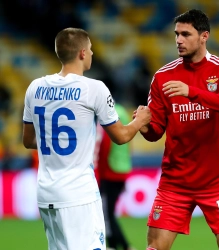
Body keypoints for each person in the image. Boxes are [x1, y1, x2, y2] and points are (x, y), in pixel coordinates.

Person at [22, 27, 151, 250]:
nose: (92, 54)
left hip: (46, 193)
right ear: (82, 53)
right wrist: (140, 120)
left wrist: (60, 143)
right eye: (90, 49)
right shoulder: (94, 89)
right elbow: (121, 136)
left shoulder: (35, 88)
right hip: (78, 195)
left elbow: (28, 140)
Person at [133, 9, 219, 250]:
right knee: (154, 247)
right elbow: (156, 132)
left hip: (216, 181)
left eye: (185, 34)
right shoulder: (163, 76)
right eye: (176, 34)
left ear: (204, 36)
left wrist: (191, 92)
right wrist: (143, 124)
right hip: (175, 182)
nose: (178, 40)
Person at [95, 103, 135, 250]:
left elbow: (105, 145)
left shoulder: (107, 114)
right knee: (108, 213)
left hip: (109, 171)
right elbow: (128, 141)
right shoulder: (122, 111)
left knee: (105, 214)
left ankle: (119, 246)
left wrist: (99, 172)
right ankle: (123, 246)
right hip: (122, 168)